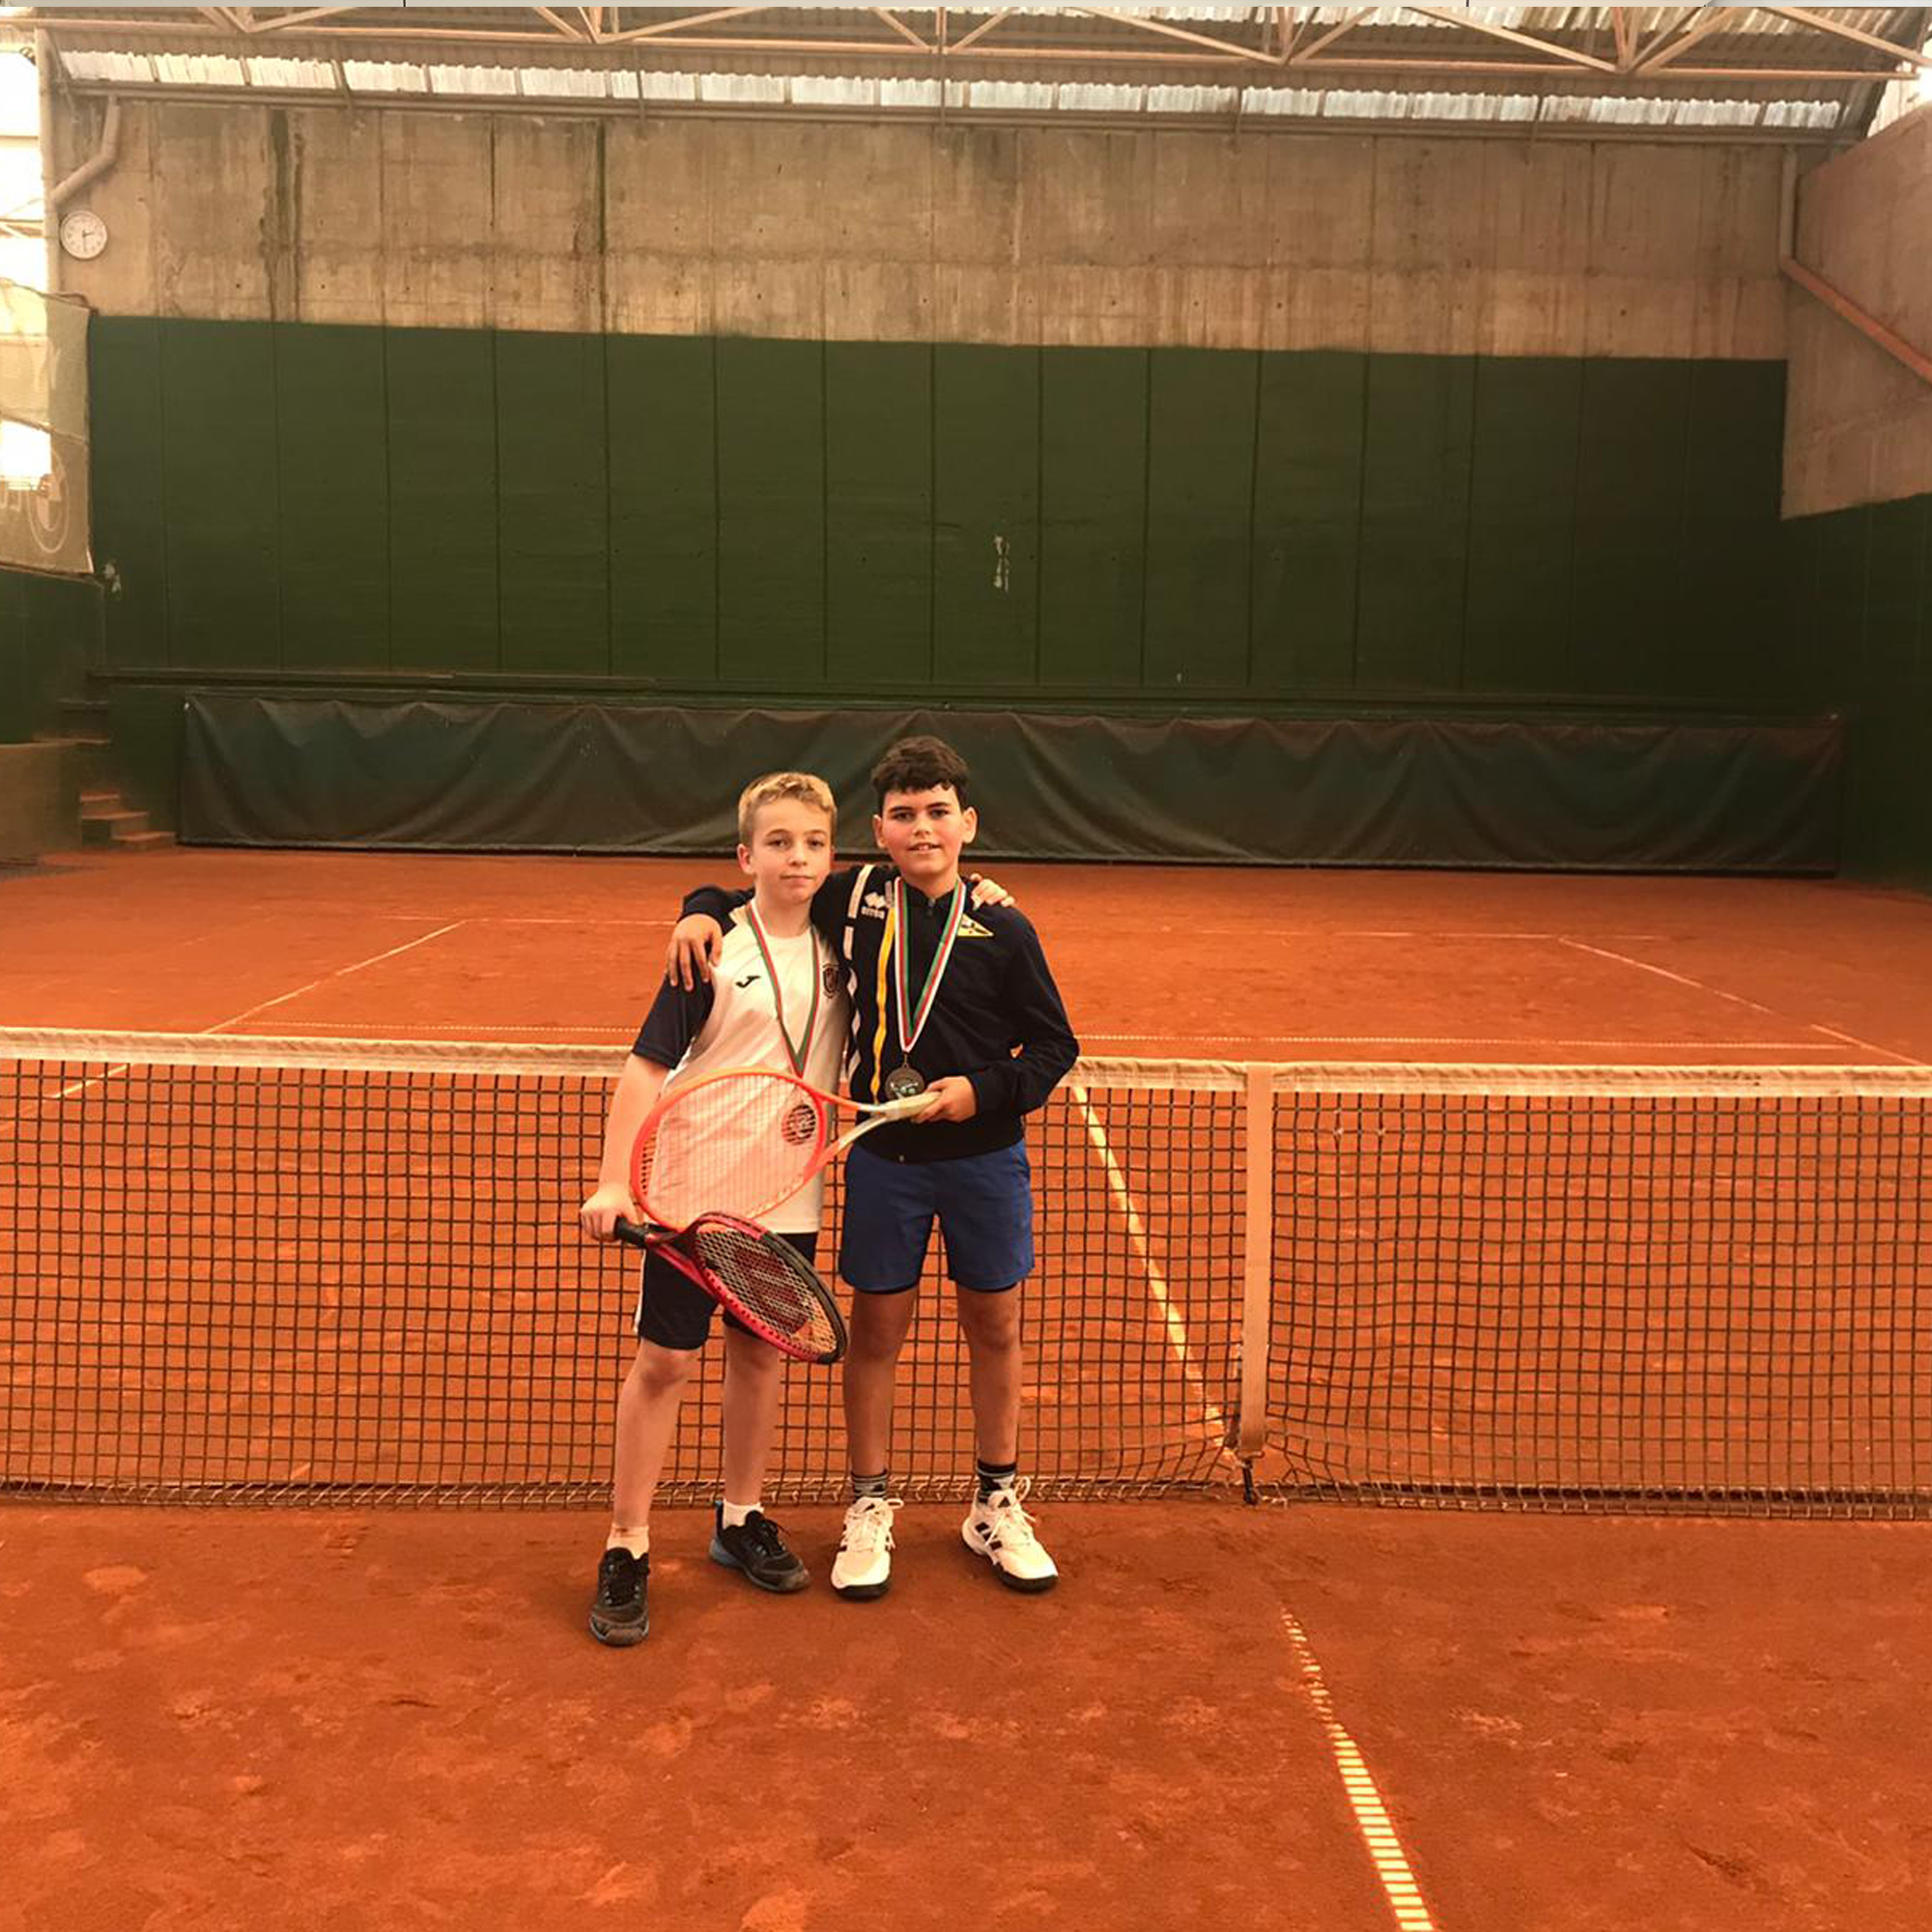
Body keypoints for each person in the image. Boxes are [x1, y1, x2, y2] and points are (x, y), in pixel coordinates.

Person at [669, 735, 1079, 1600]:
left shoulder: (1005, 927)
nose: (922, 828)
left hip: (984, 1159)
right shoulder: (852, 898)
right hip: (885, 1161)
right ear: (880, 830)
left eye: (938, 812)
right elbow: (755, 891)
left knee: (994, 1326)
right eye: (903, 815)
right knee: (879, 1332)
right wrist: (698, 909)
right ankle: (868, 1503)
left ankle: (995, 1502)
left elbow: (1054, 1048)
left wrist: (979, 1091)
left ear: (968, 824)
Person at [577, 771, 851, 1646]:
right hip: (690, 1193)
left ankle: (740, 1517)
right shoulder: (710, 948)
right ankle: (627, 1541)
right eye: (778, 843)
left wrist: (987, 888)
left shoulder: (847, 939)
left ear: (832, 855)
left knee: (760, 1356)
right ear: (746, 857)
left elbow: (925, 881)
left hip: (787, 1189)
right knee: (666, 1362)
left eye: (813, 843)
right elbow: (646, 1067)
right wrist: (615, 1182)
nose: (797, 857)